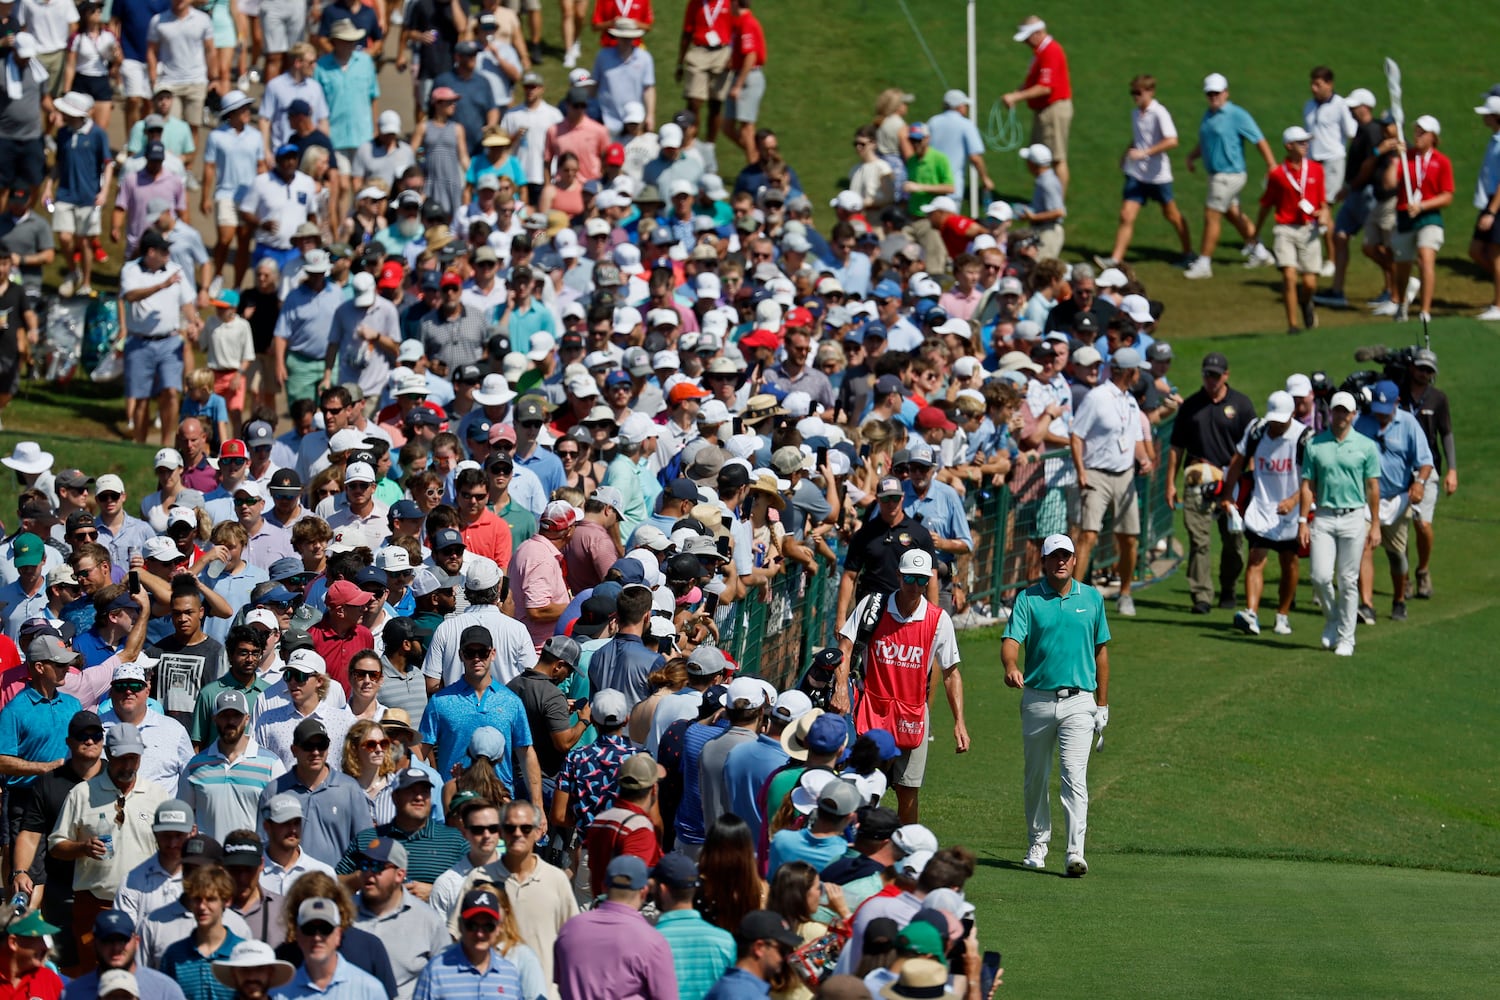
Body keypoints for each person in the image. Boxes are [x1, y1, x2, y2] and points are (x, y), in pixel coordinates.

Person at [1001, 533, 1109, 876]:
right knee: (1036, 776)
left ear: (1074, 560)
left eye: (1066, 556)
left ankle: (1075, 852)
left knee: (1074, 776)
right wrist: (1011, 667)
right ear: (1044, 562)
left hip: (1080, 700)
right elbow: (1011, 641)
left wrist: (1102, 705)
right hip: (1037, 699)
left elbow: (1101, 652)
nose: (1060, 561)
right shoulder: (1028, 599)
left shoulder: (1092, 598)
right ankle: (1038, 842)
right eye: (1054, 556)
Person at [835, 549, 963, 823]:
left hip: (913, 716)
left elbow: (952, 673)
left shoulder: (939, 619)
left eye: (921, 580)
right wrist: (841, 688)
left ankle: (905, 855)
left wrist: (959, 722)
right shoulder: (873, 606)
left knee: (908, 791)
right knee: (861, 783)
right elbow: (845, 646)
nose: (915, 587)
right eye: (909, 579)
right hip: (872, 710)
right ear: (898, 576)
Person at [49, 723, 170, 970]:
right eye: (121, 758)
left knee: (144, 976)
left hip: (145, 905)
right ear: (109, 754)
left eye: (133, 758)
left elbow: (171, 849)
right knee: (95, 978)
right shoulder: (82, 794)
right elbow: (55, 845)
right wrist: (82, 848)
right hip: (95, 904)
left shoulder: (157, 795)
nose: (128, 765)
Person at [1166, 352, 1255, 614]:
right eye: (1207, 375)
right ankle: (1201, 595)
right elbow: (1176, 447)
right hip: (1196, 482)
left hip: (1232, 482)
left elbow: (1252, 447)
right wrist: (1170, 483)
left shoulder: (1241, 405)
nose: (1211, 380)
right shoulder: (1191, 406)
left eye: (1216, 375)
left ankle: (1228, 587)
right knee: (1199, 541)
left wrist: (1249, 484)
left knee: (1234, 543)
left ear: (1226, 375)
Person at [1221, 391, 1313, 638]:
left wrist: (1294, 501)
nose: (1276, 424)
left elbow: (1312, 478)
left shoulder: (1304, 437)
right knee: (1256, 557)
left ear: (1292, 415)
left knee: (1289, 562)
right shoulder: (1257, 431)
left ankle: (1282, 614)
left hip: (1291, 513)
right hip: (1262, 507)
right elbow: (1238, 461)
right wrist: (1228, 494)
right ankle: (1251, 613)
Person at [1070, 346, 1152, 617]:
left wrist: (1144, 459)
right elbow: (1076, 435)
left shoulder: (1130, 401)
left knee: (1129, 539)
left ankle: (1125, 593)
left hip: (1124, 475)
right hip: (1096, 473)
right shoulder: (1097, 397)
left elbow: (1135, 441)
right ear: (1130, 372)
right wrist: (1081, 470)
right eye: (1137, 370)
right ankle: (1075, 595)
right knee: (1088, 535)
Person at [1299, 392, 1380, 657]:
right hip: (1323, 515)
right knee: (1320, 577)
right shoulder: (1315, 445)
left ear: (1354, 414)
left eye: (1346, 411)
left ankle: (1347, 637)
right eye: (1337, 411)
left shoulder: (1366, 446)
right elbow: (1308, 486)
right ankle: (1333, 618)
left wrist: (1375, 523)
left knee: (1347, 580)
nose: (1341, 415)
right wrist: (1302, 521)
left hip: (1354, 516)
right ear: (1330, 413)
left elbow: (1373, 486)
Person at [1353, 381, 1432, 625]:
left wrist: (1419, 482)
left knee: (1397, 555)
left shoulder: (1408, 423)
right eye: (1377, 408)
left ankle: (1399, 599)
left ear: (1397, 403)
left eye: (1385, 410)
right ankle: (1366, 605)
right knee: (1364, 548)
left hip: (1397, 499)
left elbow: (1425, 461)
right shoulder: (1361, 422)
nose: (1380, 415)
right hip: (1366, 499)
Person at [1183, 73, 1277, 277]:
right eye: (1210, 94)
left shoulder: (1237, 115)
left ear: (1226, 93)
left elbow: (1258, 139)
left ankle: (1204, 263)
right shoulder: (1208, 115)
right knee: (1233, 215)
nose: (1213, 97)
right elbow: (1207, 142)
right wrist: (1192, 156)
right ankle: (1260, 252)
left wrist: (1271, 164)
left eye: (1217, 93)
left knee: (1211, 215)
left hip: (1228, 174)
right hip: (1216, 175)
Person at [1099, 75, 1192, 270]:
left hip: (1158, 176)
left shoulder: (1159, 113)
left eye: (1138, 93)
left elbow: (1172, 140)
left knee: (1172, 215)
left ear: (1150, 92)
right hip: (1137, 175)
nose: (1135, 97)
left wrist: (1145, 153)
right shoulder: (1136, 114)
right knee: (1126, 215)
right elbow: (1139, 138)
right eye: (1133, 93)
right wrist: (1127, 154)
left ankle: (1188, 253)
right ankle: (1116, 259)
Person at [554, 855, 678, 1000]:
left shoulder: (570, 929)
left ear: (604, 887)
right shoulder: (653, 941)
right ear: (644, 892)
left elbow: (558, 982)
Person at [254, 717, 371, 867]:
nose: (316, 752)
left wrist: (347, 879)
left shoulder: (349, 789)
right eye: (308, 746)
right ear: (294, 750)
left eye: (321, 745)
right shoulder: (274, 791)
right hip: (288, 885)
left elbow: (365, 844)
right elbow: (263, 844)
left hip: (337, 886)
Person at [348, 838, 449, 1000]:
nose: (368, 873)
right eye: (364, 866)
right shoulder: (342, 915)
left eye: (376, 867)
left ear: (400, 875)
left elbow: (445, 979)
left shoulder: (428, 920)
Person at [181, 688, 286, 841]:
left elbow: (282, 817)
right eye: (224, 715)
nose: (230, 722)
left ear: (247, 718)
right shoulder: (195, 766)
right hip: (209, 861)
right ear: (214, 719)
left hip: (252, 860)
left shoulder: (272, 765)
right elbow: (184, 817)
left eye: (236, 715)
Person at [1252, 126, 1328, 334]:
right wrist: (1255, 232)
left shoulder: (1315, 169)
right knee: (1289, 275)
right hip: (1284, 228)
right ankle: (1292, 324)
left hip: (1308, 229)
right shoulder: (1277, 174)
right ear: (1289, 146)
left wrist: (1324, 214)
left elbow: (1323, 202)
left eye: (1306, 142)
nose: (1306, 146)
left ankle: (1306, 303)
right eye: (1301, 143)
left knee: (1310, 283)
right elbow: (1266, 204)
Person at [1399, 349, 1455, 598]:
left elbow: (1446, 434)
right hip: (1399, 467)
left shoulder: (1438, 398)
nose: (1424, 373)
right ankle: (1405, 576)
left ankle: (1423, 570)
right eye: (1421, 368)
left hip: (1428, 467)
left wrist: (1452, 469)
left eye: (1429, 370)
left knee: (1422, 524)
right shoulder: (1397, 393)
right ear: (1412, 368)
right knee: (1400, 528)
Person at [410, 887, 532, 1000]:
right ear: (460, 925)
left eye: (488, 927)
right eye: (472, 926)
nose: (480, 934)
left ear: (499, 928)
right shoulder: (436, 971)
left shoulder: (509, 974)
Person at [1390, 115, 1454, 324]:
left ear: (1433, 137)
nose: (1417, 136)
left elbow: (1447, 196)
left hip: (1429, 216)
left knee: (1426, 259)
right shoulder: (1406, 157)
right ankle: (1401, 304)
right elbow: (1390, 181)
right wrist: (1395, 159)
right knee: (1402, 264)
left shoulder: (1441, 161)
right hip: (1405, 215)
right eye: (1416, 132)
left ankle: (1425, 311)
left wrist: (1423, 205)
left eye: (1422, 132)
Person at [1001, 16, 1073, 192]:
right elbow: (1034, 82)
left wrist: (1016, 97)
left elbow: (1045, 87)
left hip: (1053, 109)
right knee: (1035, 158)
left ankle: (1056, 206)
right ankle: (1047, 197)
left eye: (1027, 37)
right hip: (1045, 110)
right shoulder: (1041, 52)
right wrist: (1017, 94)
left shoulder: (1051, 51)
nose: (1025, 42)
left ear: (1038, 33)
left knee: (1056, 159)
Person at [272, 898, 387, 1000]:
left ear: (338, 935)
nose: (317, 937)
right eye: (309, 929)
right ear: (298, 935)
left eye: (325, 928)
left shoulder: (370, 990)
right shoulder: (279, 993)